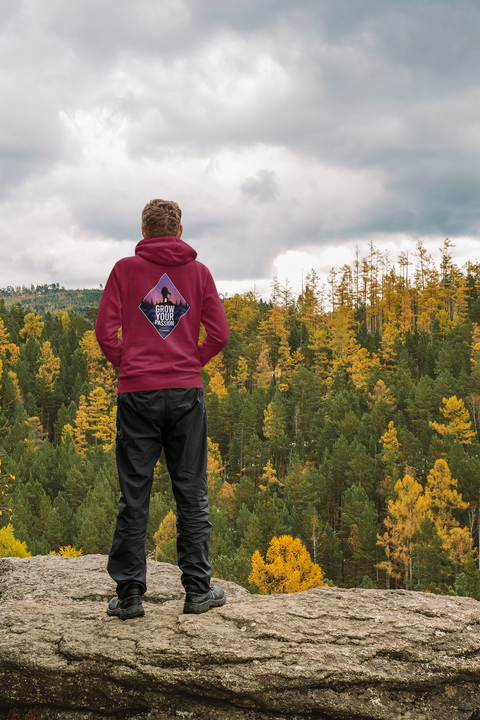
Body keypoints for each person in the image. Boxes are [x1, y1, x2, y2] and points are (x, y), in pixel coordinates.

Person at [95, 198, 229, 619]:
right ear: (179, 231)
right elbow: (219, 334)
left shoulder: (125, 270)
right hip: (186, 394)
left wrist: (131, 365)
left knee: (134, 494)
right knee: (191, 492)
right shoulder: (198, 273)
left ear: (144, 230)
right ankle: (197, 592)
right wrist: (190, 362)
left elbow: (104, 332)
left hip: (137, 395)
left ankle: (131, 595)